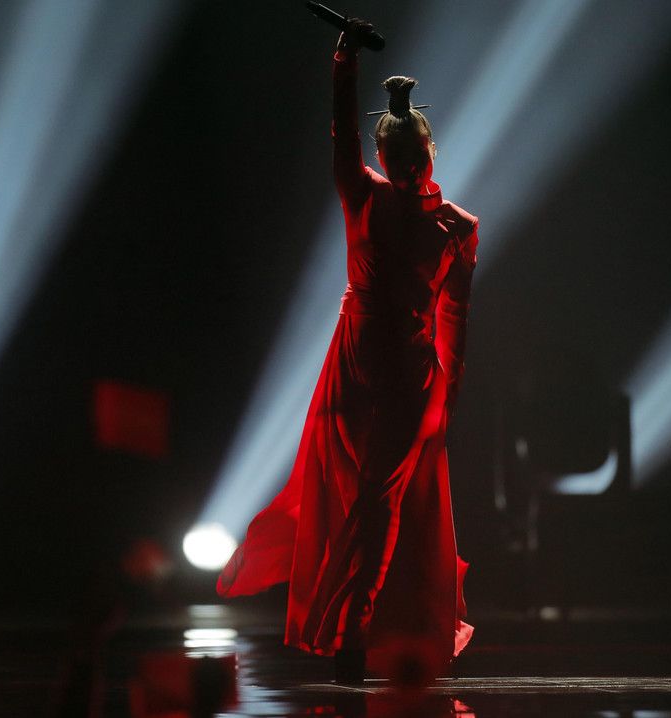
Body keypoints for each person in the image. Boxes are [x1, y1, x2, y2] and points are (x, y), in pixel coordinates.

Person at [216, 18, 477, 684]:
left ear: (430, 151)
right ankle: (360, 628)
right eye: (394, 152)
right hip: (353, 366)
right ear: (383, 155)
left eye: (413, 152)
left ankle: (352, 633)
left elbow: (455, 318)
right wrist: (344, 60)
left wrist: (448, 398)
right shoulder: (362, 194)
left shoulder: (458, 228)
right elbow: (340, 135)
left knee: (378, 503)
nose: (405, 163)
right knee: (343, 498)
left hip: (411, 377)